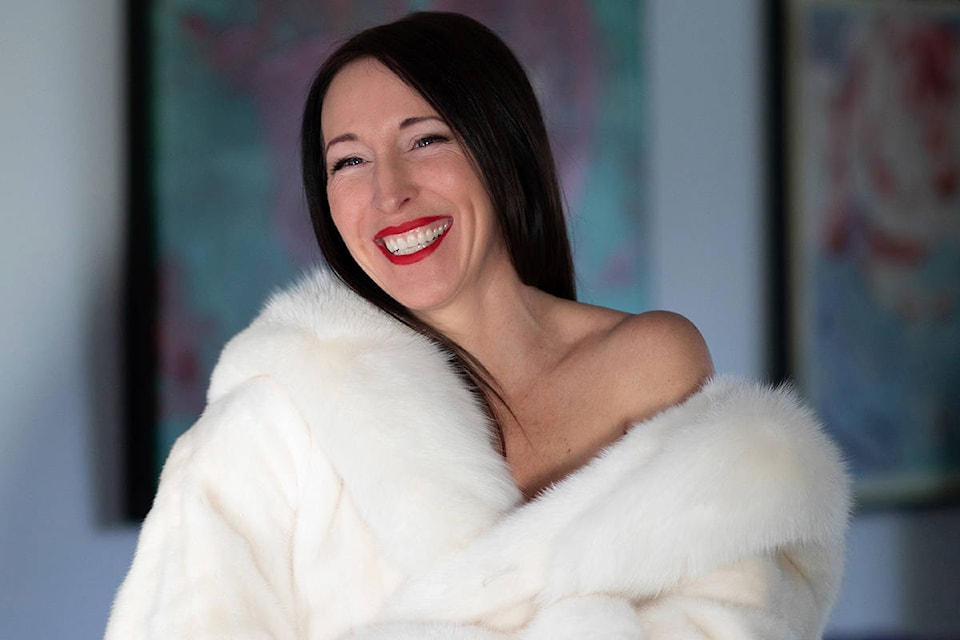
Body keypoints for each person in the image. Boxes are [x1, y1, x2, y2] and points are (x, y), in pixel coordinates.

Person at [105, 11, 850, 640]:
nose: (389, 192)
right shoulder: (274, 422)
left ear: (503, 150)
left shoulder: (649, 362)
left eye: (425, 140)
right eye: (349, 162)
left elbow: (734, 617)